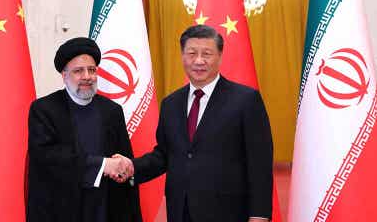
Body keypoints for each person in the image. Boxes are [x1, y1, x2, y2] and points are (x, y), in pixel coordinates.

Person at [122, 25, 274, 222]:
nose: (199, 61)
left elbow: (259, 164)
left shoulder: (246, 100)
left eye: (207, 54)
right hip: (181, 210)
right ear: (182, 55)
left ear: (220, 55)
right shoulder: (171, 103)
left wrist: (259, 216)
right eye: (192, 53)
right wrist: (130, 167)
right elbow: (165, 155)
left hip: (228, 212)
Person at [27, 37, 142, 222]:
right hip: (62, 209)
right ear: (64, 76)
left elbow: (124, 163)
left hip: (105, 208)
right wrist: (102, 165)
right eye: (78, 71)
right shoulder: (44, 109)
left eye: (92, 70)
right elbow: (48, 158)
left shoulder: (112, 111)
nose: (87, 76)